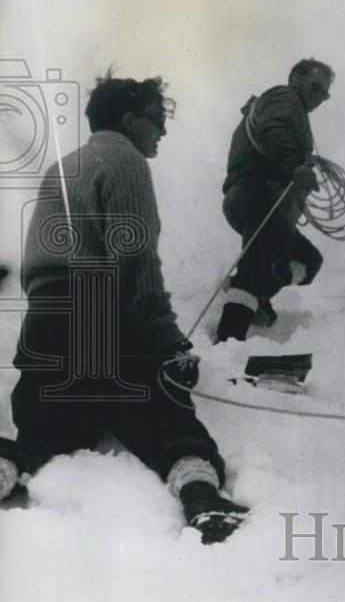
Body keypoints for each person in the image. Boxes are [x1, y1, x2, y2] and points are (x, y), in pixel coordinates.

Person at [0, 75, 247, 543]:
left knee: (43, 433)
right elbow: (134, 260)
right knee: (168, 419)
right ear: (130, 120)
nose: (163, 132)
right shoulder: (125, 159)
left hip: (46, 321)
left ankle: (7, 470)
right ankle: (201, 497)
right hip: (101, 309)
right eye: (157, 120)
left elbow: (38, 266)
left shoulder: (63, 167)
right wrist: (168, 342)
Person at [215, 59, 333, 342]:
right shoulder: (285, 98)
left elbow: (273, 133)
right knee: (255, 269)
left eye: (325, 93)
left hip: (260, 201)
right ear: (295, 79)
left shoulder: (283, 105)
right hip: (260, 197)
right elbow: (273, 132)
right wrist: (296, 166)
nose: (320, 97)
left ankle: (255, 295)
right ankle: (227, 342)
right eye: (316, 87)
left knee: (308, 261)